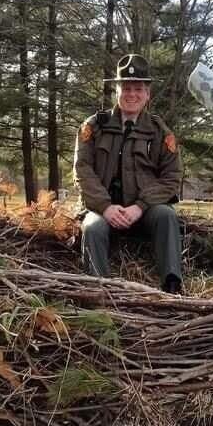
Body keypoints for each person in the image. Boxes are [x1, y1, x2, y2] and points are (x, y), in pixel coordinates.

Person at [73, 54, 183, 294]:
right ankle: (99, 291)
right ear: (117, 91)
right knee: (91, 228)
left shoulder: (159, 131)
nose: (132, 94)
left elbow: (172, 176)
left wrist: (141, 206)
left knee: (166, 215)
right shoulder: (94, 126)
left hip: (144, 212)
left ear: (147, 94)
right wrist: (105, 207)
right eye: (126, 88)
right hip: (102, 210)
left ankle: (172, 285)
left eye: (138, 89)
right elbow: (82, 170)